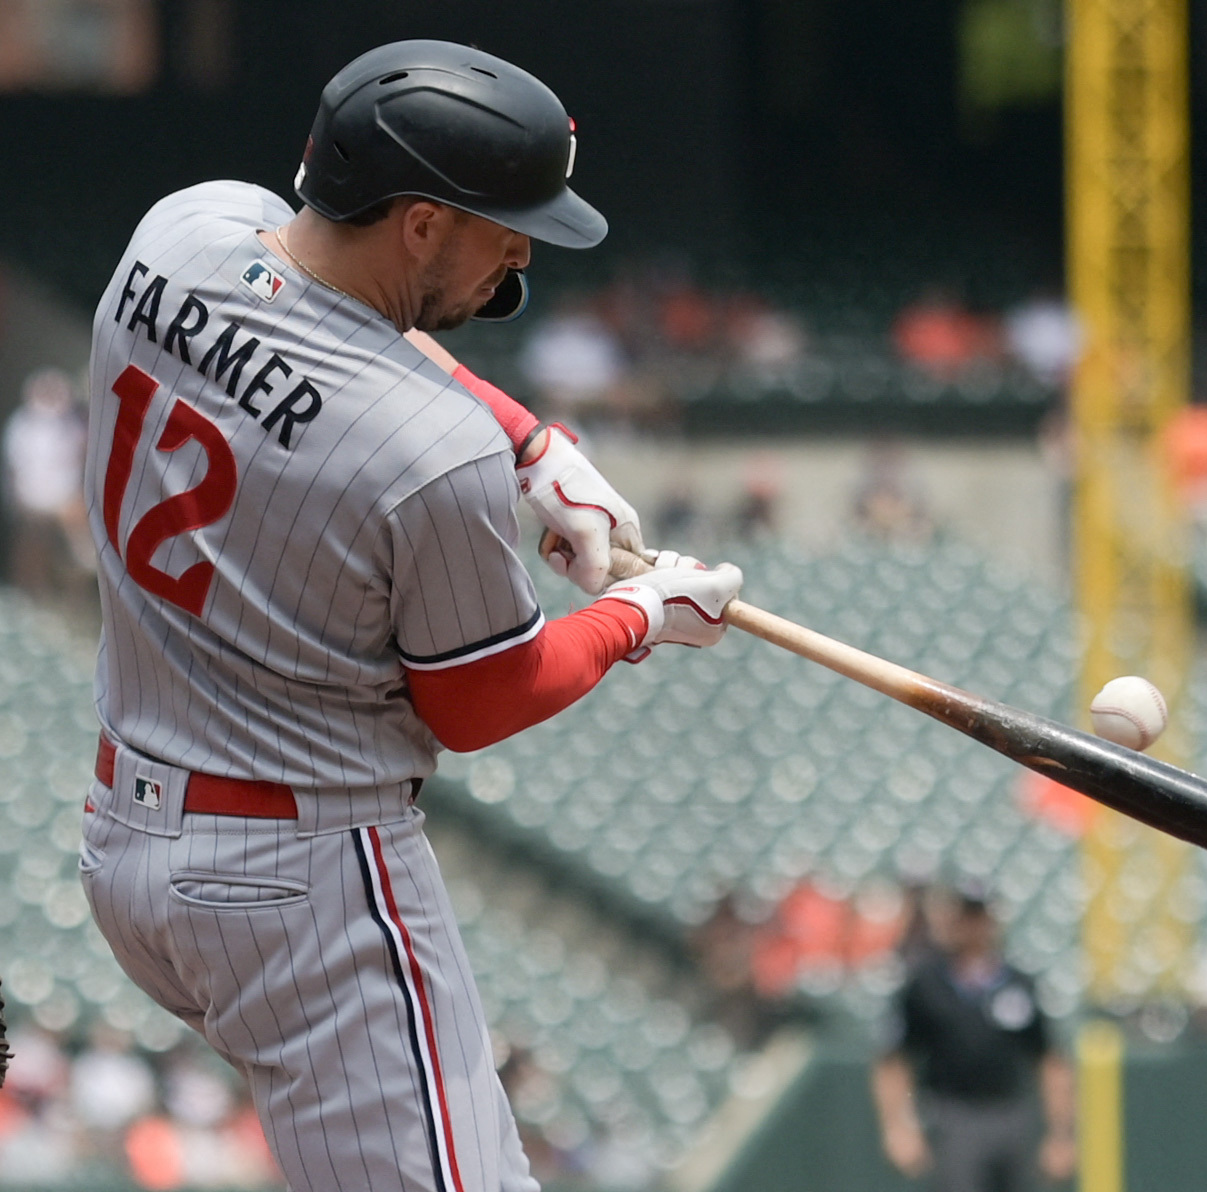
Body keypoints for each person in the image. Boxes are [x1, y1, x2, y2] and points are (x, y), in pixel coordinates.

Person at [76, 40, 742, 1192]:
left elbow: (323, 314)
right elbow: (484, 698)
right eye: (505, 222)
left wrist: (531, 442)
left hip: (127, 841)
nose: (525, 250)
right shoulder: (426, 457)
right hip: (299, 880)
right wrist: (641, 612)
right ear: (423, 223)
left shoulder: (177, 233)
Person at [873, 886, 1076, 1192]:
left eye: (978, 916)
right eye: (964, 916)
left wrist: (1061, 1135)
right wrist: (898, 1127)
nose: (971, 925)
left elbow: (1049, 1061)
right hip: (954, 1115)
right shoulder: (927, 984)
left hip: (1011, 1113)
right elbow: (893, 1061)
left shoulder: (1017, 985)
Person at [3, 366, 91, 599]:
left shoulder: (72, 425)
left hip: (64, 499)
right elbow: (16, 469)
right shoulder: (22, 424)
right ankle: (29, 591)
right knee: (33, 541)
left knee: (81, 544)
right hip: (33, 498)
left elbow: (81, 459)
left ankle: (74, 592)